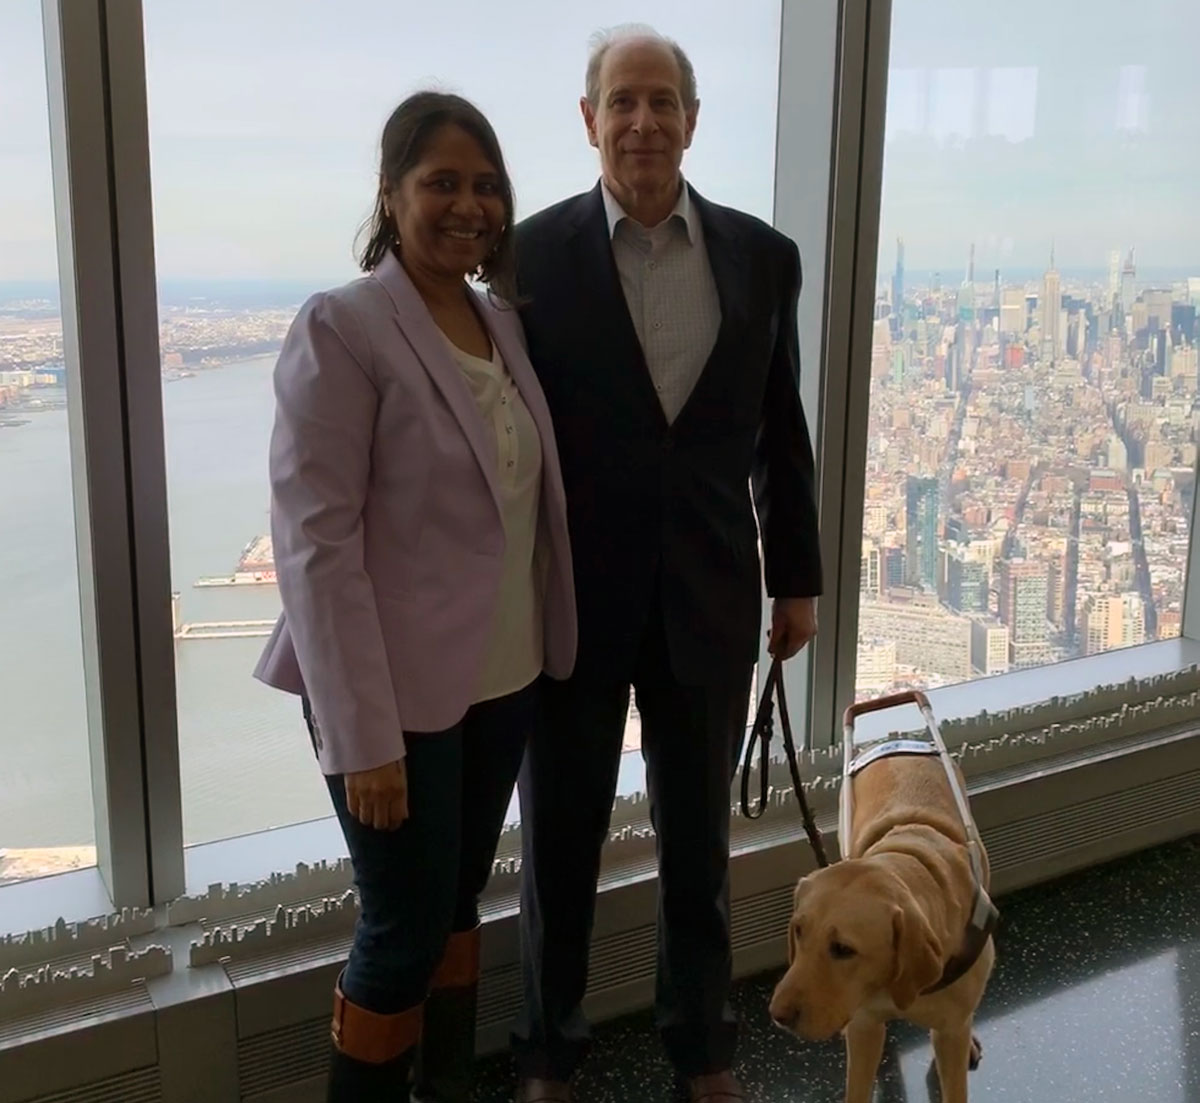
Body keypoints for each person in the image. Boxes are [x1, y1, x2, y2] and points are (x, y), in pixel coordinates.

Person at [510, 26, 822, 1103]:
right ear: (589, 121)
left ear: (694, 120)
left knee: (700, 843)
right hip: (571, 599)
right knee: (559, 840)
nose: (643, 122)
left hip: (710, 589)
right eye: (621, 102)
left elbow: (780, 428)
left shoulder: (763, 256)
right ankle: (548, 1052)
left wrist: (800, 575)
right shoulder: (528, 256)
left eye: (663, 102)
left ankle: (704, 1046)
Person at [253, 91, 577, 1103]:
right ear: (391, 196)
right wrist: (364, 738)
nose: (467, 204)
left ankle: (446, 1088)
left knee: (453, 905)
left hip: (503, 676)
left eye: (485, 185)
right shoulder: (343, 327)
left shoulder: (500, 324)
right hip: (390, 699)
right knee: (399, 924)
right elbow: (315, 542)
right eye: (441, 182)